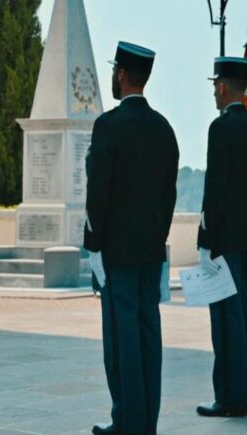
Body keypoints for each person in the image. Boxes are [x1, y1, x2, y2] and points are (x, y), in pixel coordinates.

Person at [84, 42, 179, 435]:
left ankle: (127, 422)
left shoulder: (108, 126)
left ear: (121, 74)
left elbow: (98, 192)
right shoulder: (164, 129)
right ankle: (144, 423)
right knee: (148, 339)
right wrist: (157, 240)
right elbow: (169, 196)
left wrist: (93, 246)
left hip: (118, 254)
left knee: (121, 342)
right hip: (149, 252)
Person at [196, 57, 247, 418]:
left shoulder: (220, 128)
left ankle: (229, 397)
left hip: (225, 241)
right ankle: (245, 394)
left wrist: (205, 240)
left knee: (226, 321)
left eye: (215, 85)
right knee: (245, 315)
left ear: (224, 86)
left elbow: (215, 189)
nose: (213, 91)